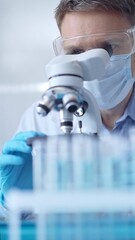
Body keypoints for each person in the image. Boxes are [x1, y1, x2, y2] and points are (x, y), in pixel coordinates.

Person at [0, 0, 135, 207]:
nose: (93, 64)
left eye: (108, 48)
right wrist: (14, 200)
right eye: (76, 52)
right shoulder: (41, 118)